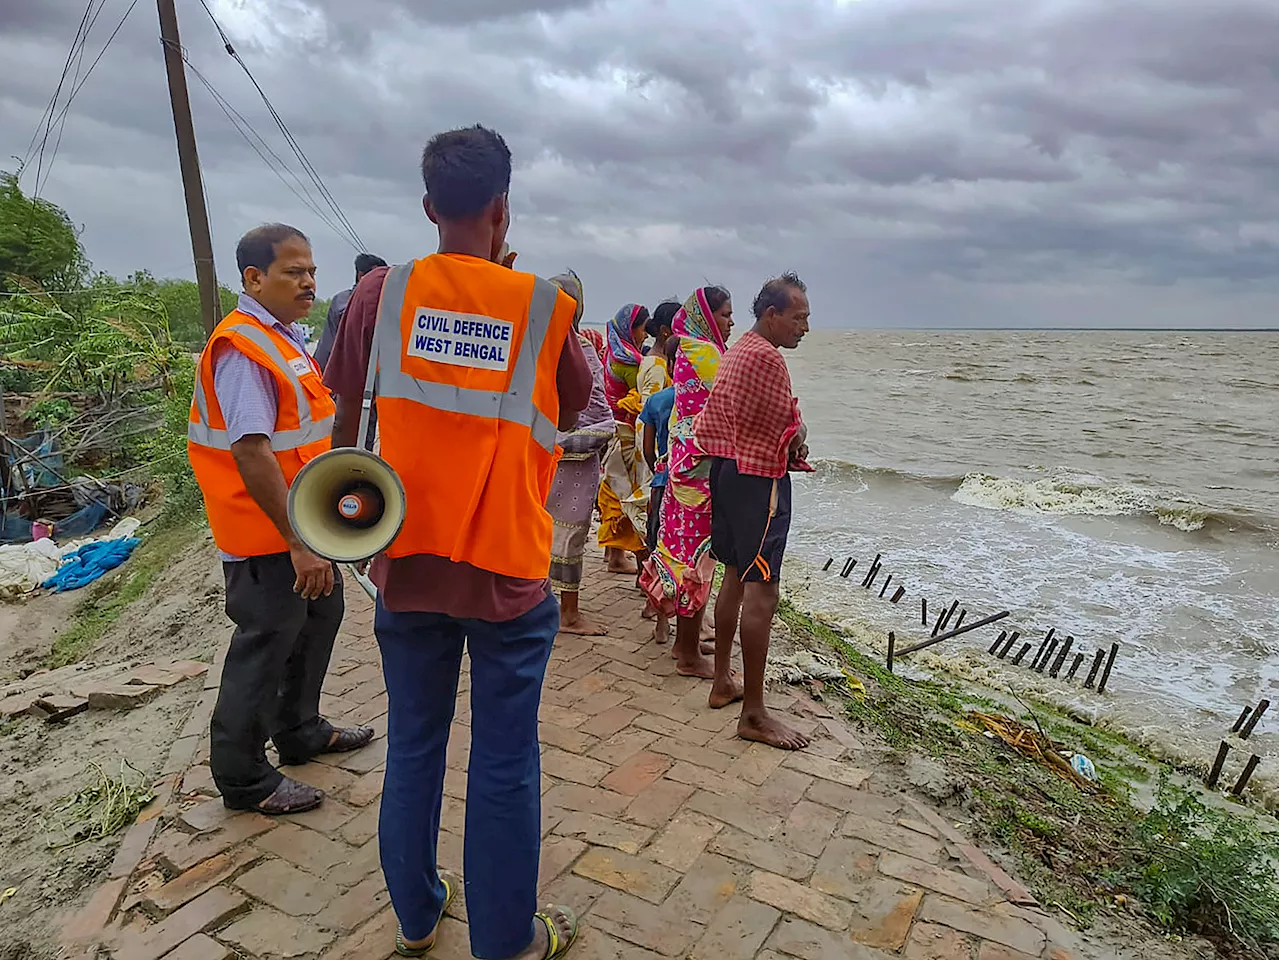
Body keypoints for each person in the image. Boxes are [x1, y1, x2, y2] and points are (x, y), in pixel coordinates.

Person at [323, 125, 589, 960]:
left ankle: (415, 917)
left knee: (414, 744)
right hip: (507, 567)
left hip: (406, 557)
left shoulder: (380, 294)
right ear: (502, 208)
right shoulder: (547, 306)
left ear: (430, 206)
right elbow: (577, 401)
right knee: (504, 761)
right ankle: (505, 942)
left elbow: (342, 412)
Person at [186, 224, 374, 815]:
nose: (309, 283)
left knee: (321, 614)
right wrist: (298, 540)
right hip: (266, 532)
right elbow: (251, 451)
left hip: (303, 526)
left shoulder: (285, 338)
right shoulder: (243, 348)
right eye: (295, 272)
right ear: (254, 278)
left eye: (312, 271)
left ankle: (298, 731)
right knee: (265, 643)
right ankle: (243, 778)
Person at [698, 272, 813, 750]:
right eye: (799, 317)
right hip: (757, 480)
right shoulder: (767, 359)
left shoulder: (739, 349)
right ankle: (755, 713)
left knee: (732, 574)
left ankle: (724, 679)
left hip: (726, 471)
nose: (805, 327)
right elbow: (790, 429)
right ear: (772, 315)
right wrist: (801, 436)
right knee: (762, 591)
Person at [640, 286, 734, 678]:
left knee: (682, 554)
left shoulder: (687, 352)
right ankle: (689, 655)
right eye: (726, 315)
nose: (731, 323)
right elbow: (730, 406)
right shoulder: (706, 353)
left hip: (681, 468)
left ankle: (685, 644)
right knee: (697, 561)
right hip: (698, 476)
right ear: (708, 317)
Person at [547, 270, 615, 636]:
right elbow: (599, 408)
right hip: (557, 455)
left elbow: (595, 408)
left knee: (564, 532)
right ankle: (564, 612)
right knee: (560, 532)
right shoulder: (577, 348)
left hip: (552, 452)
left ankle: (561, 609)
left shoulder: (550, 346)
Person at [597, 303, 653, 575]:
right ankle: (619, 557)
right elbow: (642, 395)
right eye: (643, 328)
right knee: (626, 493)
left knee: (612, 489)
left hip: (611, 425)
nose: (645, 335)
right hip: (627, 431)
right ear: (633, 328)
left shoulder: (612, 351)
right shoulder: (631, 360)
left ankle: (613, 553)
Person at [637, 335, 680, 644]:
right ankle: (690, 627)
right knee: (688, 557)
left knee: (658, 547)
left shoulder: (658, 401)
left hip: (661, 483)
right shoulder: (701, 400)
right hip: (691, 488)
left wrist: (657, 472)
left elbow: (648, 449)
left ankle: (658, 617)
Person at [313, 252, 388, 370]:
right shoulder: (342, 302)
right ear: (361, 276)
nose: (383, 282)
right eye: (378, 277)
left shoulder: (340, 300)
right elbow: (327, 344)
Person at [638, 300, 679, 398]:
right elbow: (647, 405)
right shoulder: (657, 367)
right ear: (665, 331)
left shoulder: (656, 359)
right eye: (681, 328)